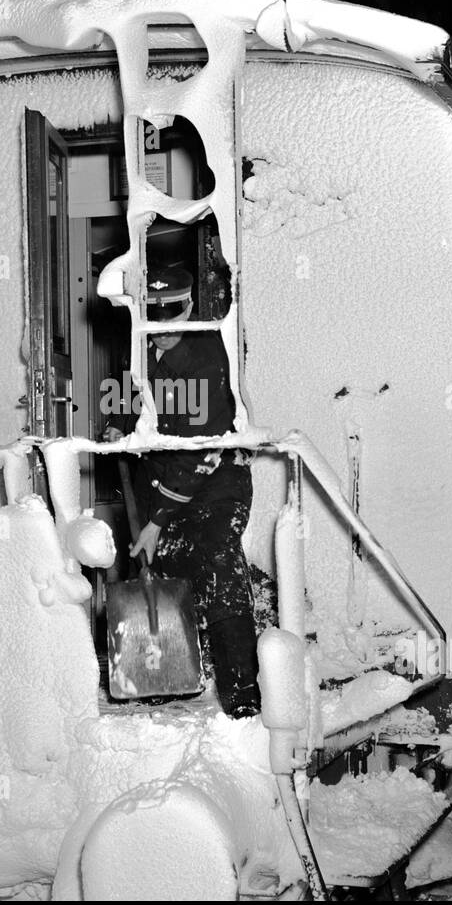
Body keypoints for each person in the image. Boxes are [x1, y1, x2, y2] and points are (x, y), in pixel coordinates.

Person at [104, 263, 261, 717]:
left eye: (173, 316)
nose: (162, 331)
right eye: (155, 317)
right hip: (161, 483)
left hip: (216, 484)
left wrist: (156, 521)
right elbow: (120, 396)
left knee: (216, 556)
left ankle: (242, 695)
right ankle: (177, 677)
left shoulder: (212, 355)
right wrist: (117, 426)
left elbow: (201, 453)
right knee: (167, 566)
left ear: (189, 308)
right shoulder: (139, 350)